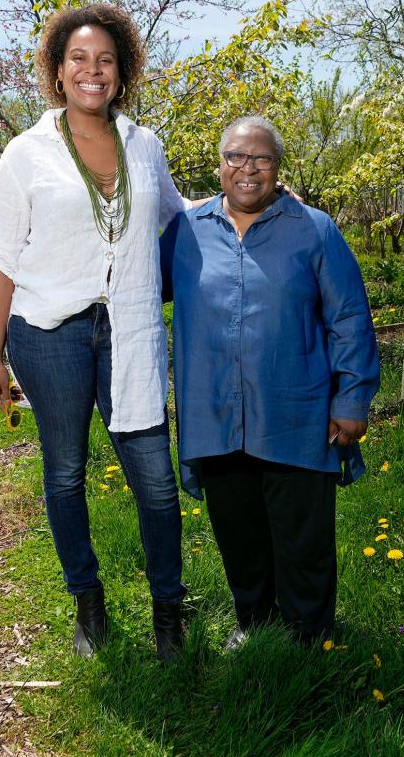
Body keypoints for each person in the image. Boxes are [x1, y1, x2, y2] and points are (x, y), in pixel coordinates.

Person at [0, 4, 191, 663]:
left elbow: (182, 221)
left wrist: (261, 195)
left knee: (154, 478)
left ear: (121, 71)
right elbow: (3, 257)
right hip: (48, 334)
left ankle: (168, 611)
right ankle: (88, 604)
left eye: (104, 60)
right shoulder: (26, 154)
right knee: (65, 470)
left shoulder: (145, 146)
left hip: (129, 331)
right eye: (78, 59)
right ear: (57, 69)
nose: (91, 70)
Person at [160, 116, 380, 647]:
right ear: (219, 165)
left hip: (295, 413)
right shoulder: (186, 233)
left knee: (302, 537)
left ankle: (309, 635)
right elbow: (133, 284)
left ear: (278, 168)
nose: (247, 168)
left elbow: (349, 317)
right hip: (215, 414)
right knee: (239, 534)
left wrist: (351, 399)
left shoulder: (315, 229)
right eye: (236, 157)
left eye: (261, 159)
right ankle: (254, 625)